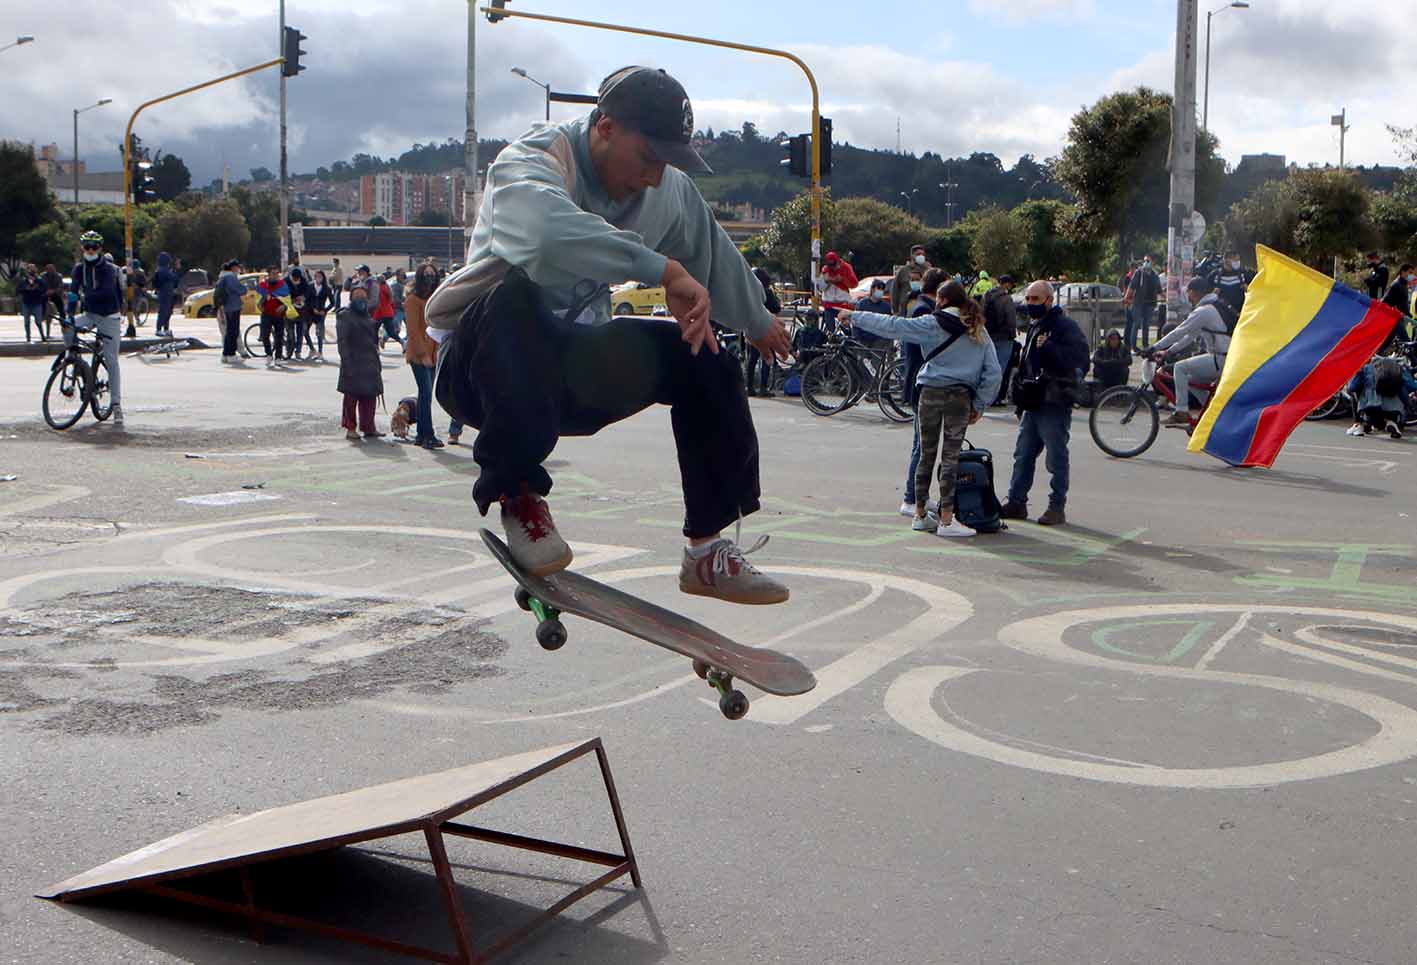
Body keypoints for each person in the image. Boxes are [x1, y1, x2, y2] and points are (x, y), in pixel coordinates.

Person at [424, 64, 793, 603]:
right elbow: (549, 238)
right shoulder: (535, 160)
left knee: (705, 353)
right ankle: (519, 495)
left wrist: (760, 323)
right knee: (515, 295)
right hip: (482, 372)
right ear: (605, 126)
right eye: (647, 159)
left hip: (573, 376)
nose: (652, 178)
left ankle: (706, 549)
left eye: (664, 165)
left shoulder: (668, 191)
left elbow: (712, 251)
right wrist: (663, 270)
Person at [838, 279, 1001, 538]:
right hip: (960, 397)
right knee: (951, 457)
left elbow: (893, 325)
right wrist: (980, 403)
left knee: (926, 454)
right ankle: (948, 519)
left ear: (943, 300)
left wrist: (855, 316)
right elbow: (993, 372)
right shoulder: (978, 328)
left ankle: (921, 514)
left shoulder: (932, 324)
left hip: (930, 393)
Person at [1000, 280, 1088, 526]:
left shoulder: (1064, 327)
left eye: (1035, 299)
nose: (1030, 304)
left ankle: (1056, 506)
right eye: (1028, 299)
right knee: (1023, 454)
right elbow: (1029, 364)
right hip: (1033, 402)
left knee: (1056, 457)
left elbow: (1079, 361)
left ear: (1049, 300)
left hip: (1054, 402)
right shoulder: (1035, 325)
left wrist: (1049, 347)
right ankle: (1017, 502)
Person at [897, 267, 947, 516]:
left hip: (921, 383)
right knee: (922, 446)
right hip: (921, 385)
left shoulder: (924, 309)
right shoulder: (923, 312)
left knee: (924, 445)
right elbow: (920, 353)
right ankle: (910, 497)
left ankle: (919, 495)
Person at [1152, 278, 1231, 428]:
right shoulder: (1213, 306)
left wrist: (1154, 348)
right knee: (1190, 379)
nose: (1188, 297)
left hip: (1221, 359)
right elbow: (1190, 336)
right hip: (1224, 358)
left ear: (1194, 292)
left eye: (1188, 293)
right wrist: (1168, 351)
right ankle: (1213, 411)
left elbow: (1180, 331)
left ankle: (1181, 411)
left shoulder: (1204, 311)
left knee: (1180, 368)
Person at [68, 231, 126, 426]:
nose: (90, 251)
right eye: (87, 247)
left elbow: (105, 291)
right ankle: (75, 360)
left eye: (94, 247)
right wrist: (69, 314)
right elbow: (73, 292)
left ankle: (116, 405)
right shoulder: (78, 268)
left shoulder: (108, 269)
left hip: (109, 316)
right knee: (68, 327)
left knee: (111, 360)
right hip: (90, 314)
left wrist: (84, 297)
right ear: (82, 248)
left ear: (100, 249)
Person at [403, 262, 445, 449]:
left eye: (432, 274)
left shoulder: (435, 298)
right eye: (426, 274)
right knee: (426, 394)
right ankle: (428, 434)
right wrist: (422, 354)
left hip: (434, 351)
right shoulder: (413, 300)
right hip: (419, 354)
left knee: (425, 395)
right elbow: (413, 331)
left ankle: (422, 434)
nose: (430, 277)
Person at [336, 284, 385, 440]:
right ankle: (350, 428)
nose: (361, 300)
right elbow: (342, 342)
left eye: (363, 297)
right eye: (357, 296)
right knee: (351, 397)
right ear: (351, 299)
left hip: (369, 362)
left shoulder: (368, 316)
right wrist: (346, 362)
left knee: (369, 397)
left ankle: (369, 427)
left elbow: (373, 341)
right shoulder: (345, 316)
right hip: (353, 361)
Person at [1345, 356, 1414, 439]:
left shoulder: (1366, 368)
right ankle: (1391, 422)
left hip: (1371, 408)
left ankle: (1358, 425)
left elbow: (1352, 387)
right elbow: (1412, 386)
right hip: (1395, 411)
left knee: (1354, 392)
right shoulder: (1397, 368)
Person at [981, 274, 1020, 404]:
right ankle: (995, 397)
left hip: (988, 335)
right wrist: (1013, 334)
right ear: (1007, 284)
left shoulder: (986, 295)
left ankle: (984, 396)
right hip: (1003, 337)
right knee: (1000, 368)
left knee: (988, 367)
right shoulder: (1006, 299)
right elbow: (1010, 319)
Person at [744, 267, 781, 396]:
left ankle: (749, 387)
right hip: (765, 328)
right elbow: (776, 308)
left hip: (750, 328)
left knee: (751, 359)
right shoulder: (767, 292)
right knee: (767, 357)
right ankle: (763, 388)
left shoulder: (747, 292)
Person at [1124, 255, 1162, 349]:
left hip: (1150, 303)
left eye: (1148, 260)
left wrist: (1168, 297)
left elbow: (1159, 290)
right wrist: (1126, 298)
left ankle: (1145, 345)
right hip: (1138, 303)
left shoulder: (1155, 275)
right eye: (1145, 260)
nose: (1147, 262)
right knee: (1136, 323)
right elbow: (1131, 287)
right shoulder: (1139, 273)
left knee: (1146, 325)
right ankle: (1133, 346)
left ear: (1153, 262)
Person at [257, 265, 290, 368]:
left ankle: (278, 357)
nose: (275, 275)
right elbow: (258, 299)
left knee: (279, 337)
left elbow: (288, 299)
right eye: (273, 273)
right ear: (269, 274)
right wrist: (260, 305)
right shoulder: (263, 285)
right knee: (265, 335)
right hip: (266, 314)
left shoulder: (282, 285)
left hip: (278, 314)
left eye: (277, 273)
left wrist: (283, 306)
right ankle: (269, 354)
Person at [214, 259, 246, 363]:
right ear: (233, 267)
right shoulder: (230, 277)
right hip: (233, 306)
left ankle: (225, 354)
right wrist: (244, 288)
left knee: (229, 332)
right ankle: (231, 354)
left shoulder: (222, 277)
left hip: (227, 307)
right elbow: (240, 289)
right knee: (233, 331)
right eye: (238, 267)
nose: (239, 269)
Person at [851, 277, 892, 349]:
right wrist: (856, 338)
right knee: (862, 359)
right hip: (863, 339)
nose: (881, 291)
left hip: (879, 340)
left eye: (882, 289)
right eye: (878, 288)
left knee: (877, 359)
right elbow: (855, 322)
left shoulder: (886, 307)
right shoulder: (862, 304)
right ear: (872, 289)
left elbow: (889, 325)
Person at [1208, 250, 1249, 318]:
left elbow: (1253, 291)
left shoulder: (1243, 274)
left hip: (1240, 314)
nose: (1238, 262)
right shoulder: (1214, 275)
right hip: (1221, 315)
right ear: (1226, 260)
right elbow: (1206, 294)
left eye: (1238, 260)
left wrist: (1248, 289)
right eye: (1235, 260)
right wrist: (1212, 293)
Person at [818, 250, 857, 322]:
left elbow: (854, 284)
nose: (832, 267)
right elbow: (820, 287)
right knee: (830, 325)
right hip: (829, 304)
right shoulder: (825, 270)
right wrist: (828, 281)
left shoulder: (846, 267)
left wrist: (843, 280)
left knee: (845, 326)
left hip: (843, 303)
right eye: (830, 265)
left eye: (833, 264)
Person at [892, 245, 930, 315]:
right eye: (918, 254)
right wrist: (895, 310)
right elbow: (895, 290)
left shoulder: (928, 270)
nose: (921, 256)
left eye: (923, 254)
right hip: (905, 308)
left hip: (924, 308)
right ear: (912, 256)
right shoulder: (903, 271)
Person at [307, 269, 335, 359]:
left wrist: (325, 310)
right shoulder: (310, 286)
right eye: (316, 276)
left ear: (323, 278)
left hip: (321, 313)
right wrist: (312, 308)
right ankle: (312, 349)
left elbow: (332, 302)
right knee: (304, 330)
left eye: (320, 276)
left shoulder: (327, 288)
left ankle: (320, 352)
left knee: (319, 333)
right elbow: (307, 299)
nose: (318, 278)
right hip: (310, 312)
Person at [17, 265, 48, 343]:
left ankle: (42, 335)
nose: (31, 272)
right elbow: (18, 289)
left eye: (33, 270)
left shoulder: (39, 280)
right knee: (26, 322)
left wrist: (37, 288)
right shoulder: (23, 281)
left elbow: (44, 289)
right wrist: (26, 288)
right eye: (29, 270)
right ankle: (28, 337)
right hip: (26, 303)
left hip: (37, 302)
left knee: (38, 321)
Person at [284, 266, 309, 359]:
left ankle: (298, 351)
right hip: (289, 310)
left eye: (297, 279)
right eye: (295, 279)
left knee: (300, 332)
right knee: (290, 332)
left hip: (301, 310)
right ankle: (288, 350)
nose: (296, 280)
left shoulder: (303, 281)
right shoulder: (286, 281)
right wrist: (292, 299)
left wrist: (303, 297)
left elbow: (307, 292)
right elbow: (283, 294)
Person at [152, 252, 179, 337]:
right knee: (164, 311)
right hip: (165, 293)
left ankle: (165, 328)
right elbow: (174, 278)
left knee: (167, 311)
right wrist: (176, 270)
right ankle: (159, 329)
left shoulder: (160, 270)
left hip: (165, 293)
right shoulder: (163, 270)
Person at [42, 263, 64, 333]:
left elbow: (60, 286)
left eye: (52, 269)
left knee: (62, 312)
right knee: (45, 311)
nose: (50, 270)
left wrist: (54, 291)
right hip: (46, 295)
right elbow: (41, 285)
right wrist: (46, 291)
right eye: (48, 269)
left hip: (56, 295)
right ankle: (44, 319)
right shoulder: (43, 276)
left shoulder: (59, 276)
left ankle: (64, 326)